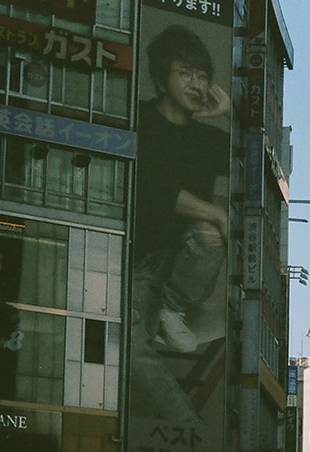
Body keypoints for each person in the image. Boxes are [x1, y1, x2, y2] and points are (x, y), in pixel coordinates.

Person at [132, 23, 231, 420]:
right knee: (132, 351)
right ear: (161, 77)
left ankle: (170, 309)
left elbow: (265, 169)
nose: (196, 83)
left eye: (202, 75)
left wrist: (228, 114)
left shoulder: (207, 138)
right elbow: (152, 188)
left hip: (178, 261)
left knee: (210, 231)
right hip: (137, 257)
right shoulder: (138, 117)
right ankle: (189, 426)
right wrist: (213, 211)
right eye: (185, 73)